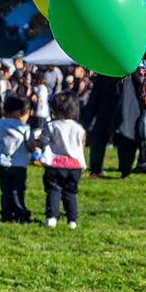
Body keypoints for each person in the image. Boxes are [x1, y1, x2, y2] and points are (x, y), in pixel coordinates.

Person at [36, 91, 86, 229]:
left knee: (53, 190)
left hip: (55, 163)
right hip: (75, 165)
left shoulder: (52, 125)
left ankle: (52, 218)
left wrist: (37, 141)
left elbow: (44, 141)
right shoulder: (79, 128)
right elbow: (82, 144)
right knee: (70, 192)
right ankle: (72, 221)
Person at [0, 93, 37, 223]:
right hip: (19, 164)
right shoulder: (25, 128)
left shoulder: (1, 124)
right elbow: (30, 146)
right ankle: (20, 213)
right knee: (18, 190)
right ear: (24, 113)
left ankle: (6, 214)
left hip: (3, 163)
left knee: (5, 190)